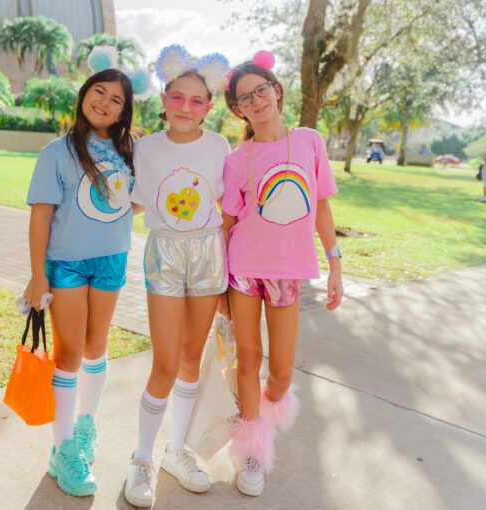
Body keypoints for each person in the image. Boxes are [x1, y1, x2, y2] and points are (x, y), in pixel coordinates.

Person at [23, 47, 147, 498]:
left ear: (124, 111)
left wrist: (120, 217)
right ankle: (62, 450)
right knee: (70, 353)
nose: (106, 103)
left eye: (117, 100)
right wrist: (38, 276)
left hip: (112, 258)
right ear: (83, 95)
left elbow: (137, 199)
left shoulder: (130, 152)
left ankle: (86, 428)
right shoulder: (56, 152)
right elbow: (40, 218)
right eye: (99, 92)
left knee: (97, 347)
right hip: (66, 264)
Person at [220, 51, 343, 497]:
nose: (256, 100)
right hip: (243, 270)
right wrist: (219, 287)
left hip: (289, 273)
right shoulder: (237, 159)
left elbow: (322, 205)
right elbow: (228, 223)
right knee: (249, 358)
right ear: (237, 109)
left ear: (276, 90)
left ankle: (263, 415)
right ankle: (252, 446)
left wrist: (335, 263)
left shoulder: (309, 141)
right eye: (244, 97)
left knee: (284, 372)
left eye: (261, 90)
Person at [123, 45, 231, 508]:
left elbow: (228, 209)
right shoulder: (145, 148)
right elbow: (132, 205)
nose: (187, 108)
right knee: (165, 364)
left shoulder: (219, 146)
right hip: (164, 253)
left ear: (210, 107)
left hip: (209, 254)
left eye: (197, 101)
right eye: (178, 97)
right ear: (164, 98)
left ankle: (175, 450)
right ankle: (142, 458)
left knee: (191, 358)